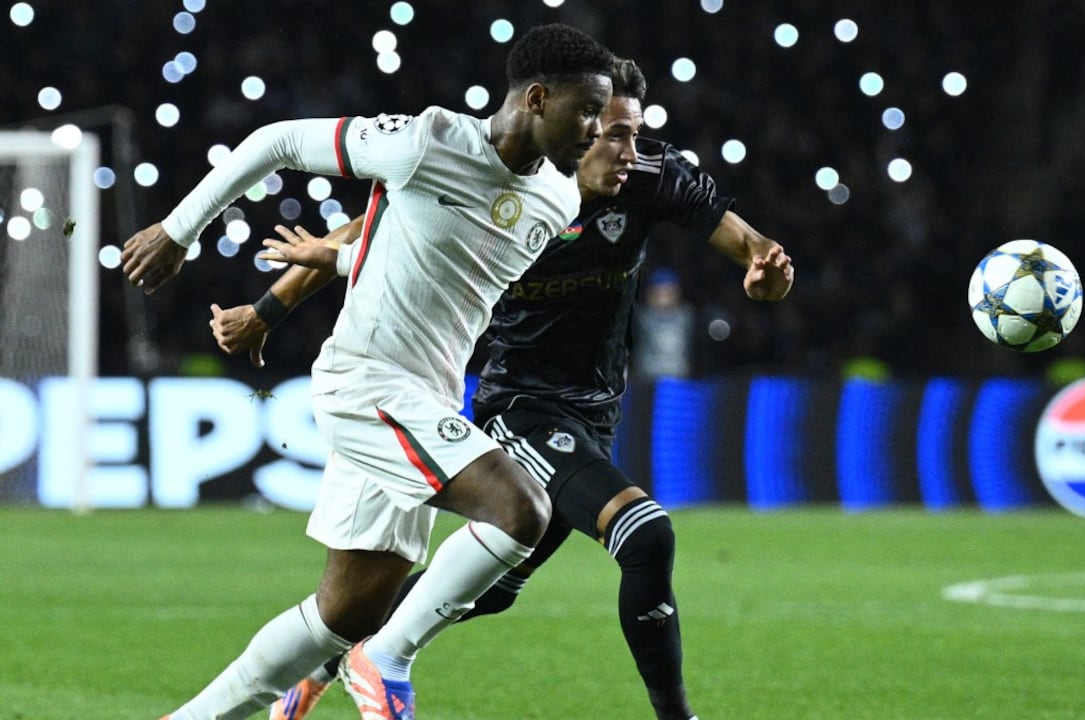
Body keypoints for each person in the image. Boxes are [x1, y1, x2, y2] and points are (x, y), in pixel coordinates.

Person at [213, 58, 793, 720]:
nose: (628, 152)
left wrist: (767, 273)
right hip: (518, 403)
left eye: (635, 134)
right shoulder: (509, 184)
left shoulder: (652, 178)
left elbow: (754, 248)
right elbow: (363, 234)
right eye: (609, 134)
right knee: (646, 534)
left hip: (593, 412)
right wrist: (266, 310)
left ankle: (328, 654)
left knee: (488, 589)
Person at [122, 23, 616, 720]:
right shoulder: (428, 142)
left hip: (431, 395)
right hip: (369, 382)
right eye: (589, 111)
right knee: (522, 510)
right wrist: (179, 230)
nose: (595, 130)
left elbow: (420, 257)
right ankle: (388, 660)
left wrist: (298, 285)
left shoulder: (558, 202)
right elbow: (277, 142)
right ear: (537, 98)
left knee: (346, 609)